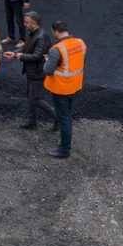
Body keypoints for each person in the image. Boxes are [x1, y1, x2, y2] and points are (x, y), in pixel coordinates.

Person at [3, 11, 56, 130]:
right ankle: (32, 122)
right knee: (30, 97)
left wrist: (19, 56)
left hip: (38, 72)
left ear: (34, 23)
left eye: (27, 22)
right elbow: (27, 47)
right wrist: (14, 52)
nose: (24, 24)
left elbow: (37, 56)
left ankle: (57, 117)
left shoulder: (41, 36)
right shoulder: (32, 33)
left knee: (35, 99)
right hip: (32, 71)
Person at [43, 20, 86, 158]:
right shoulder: (80, 43)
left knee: (64, 118)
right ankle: (64, 142)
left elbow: (48, 70)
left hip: (61, 89)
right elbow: (81, 61)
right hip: (75, 85)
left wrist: (47, 60)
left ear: (55, 32)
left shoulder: (57, 49)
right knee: (67, 115)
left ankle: (64, 150)